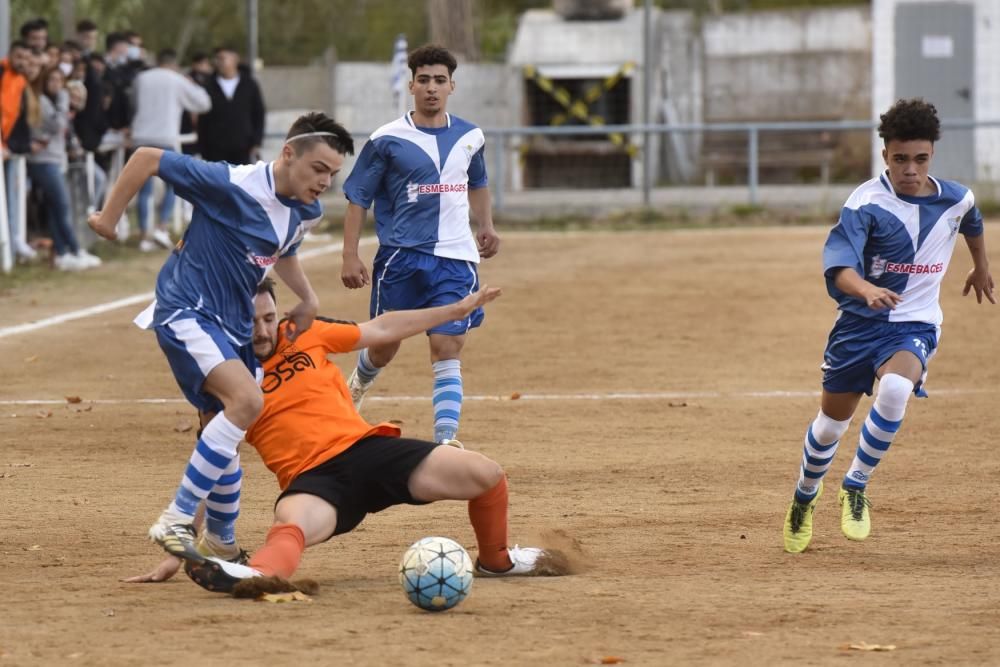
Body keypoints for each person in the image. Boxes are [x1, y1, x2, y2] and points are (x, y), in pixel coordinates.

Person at [130, 279, 561, 590]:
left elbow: (382, 328)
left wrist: (453, 311)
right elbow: (215, 464)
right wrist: (177, 551)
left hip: (369, 451)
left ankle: (496, 562)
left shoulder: (305, 333)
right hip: (313, 481)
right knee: (291, 525)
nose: (262, 331)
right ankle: (254, 578)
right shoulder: (224, 377)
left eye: (268, 318)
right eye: (250, 321)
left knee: (484, 474)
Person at [88, 112, 354, 567]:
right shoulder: (229, 183)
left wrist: (307, 298)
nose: (325, 182)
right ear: (288, 153)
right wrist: (109, 217)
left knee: (225, 429)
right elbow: (147, 157)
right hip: (186, 309)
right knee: (249, 402)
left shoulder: (304, 212)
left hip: (231, 327)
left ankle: (221, 542)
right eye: (319, 169)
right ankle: (176, 519)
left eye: (333, 174)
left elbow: (282, 252)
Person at [782, 98, 994, 554]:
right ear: (886, 156)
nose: (911, 169)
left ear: (932, 154)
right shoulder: (865, 204)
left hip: (913, 325)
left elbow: (972, 222)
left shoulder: (956, 198)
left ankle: (855, 487)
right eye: (901, 159)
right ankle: (805, 495)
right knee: (828, 428)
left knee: (897, 389)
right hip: (859, 327)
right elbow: (839, 267)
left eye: (920, 159)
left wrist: (981, 266)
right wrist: (865, 290)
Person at [340, 44, 501, 450]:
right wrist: (349, 253)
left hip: (456, 259)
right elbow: (358, 197)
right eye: (424, 80)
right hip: (400, 258)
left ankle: (446, 440)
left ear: (452, 86)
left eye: (440, 81)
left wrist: (486, 224)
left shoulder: (471, 136)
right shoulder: (386, 139)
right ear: (411, 85)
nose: (432, 88)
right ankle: (354, 389)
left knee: (447, 346)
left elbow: (477, 182)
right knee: (383, 347)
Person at [130, 48, 212, 251]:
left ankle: (143, 236)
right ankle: (161, 226)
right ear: (174, 63)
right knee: (172, 186)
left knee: (143, 189)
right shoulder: (176, 80)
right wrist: (192, 85)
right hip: (165, 137)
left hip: (140, 136)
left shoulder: (142, 78)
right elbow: (203, 104)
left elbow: (132, 103)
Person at [27, 65, 101, 270]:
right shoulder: (43, 101)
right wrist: (62, 99)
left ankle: (62, 252)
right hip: (43, 161)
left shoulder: (53, 102)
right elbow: (58, 125)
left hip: (56, 159)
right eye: (52, 80)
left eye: (60, 81)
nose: (56, 85)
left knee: (54, 209)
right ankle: (74, 250)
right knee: (62, 206)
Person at [196, 46, 266, 165]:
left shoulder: (249, 84)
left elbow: (259, 113)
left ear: (235, 59)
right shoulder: (208, 85)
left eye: (223, 58)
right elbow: (202, 119)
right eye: (217, 59)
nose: (219, 62)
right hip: (215, 149)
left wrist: (256, 141)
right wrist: (202, 147)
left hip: (242, 147)